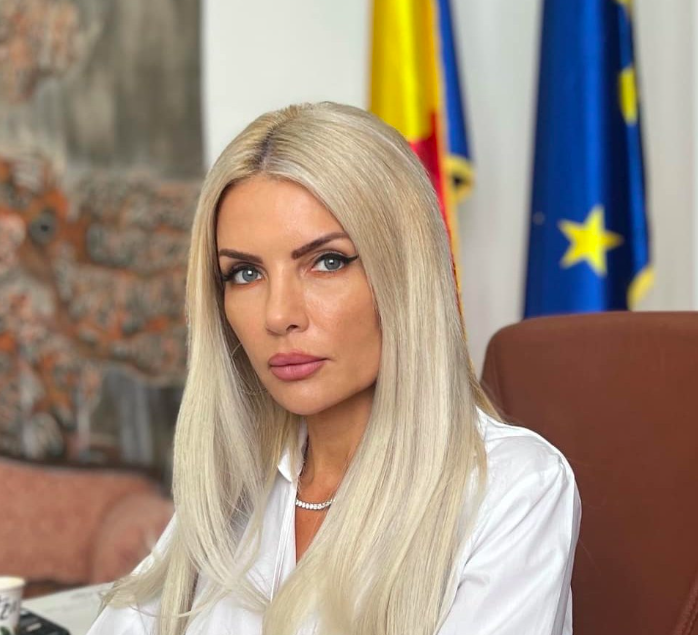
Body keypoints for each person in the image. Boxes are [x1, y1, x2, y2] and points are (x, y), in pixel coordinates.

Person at [87, 102, 580, 635]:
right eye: (245, 273)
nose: (278, 315)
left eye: (327, 262)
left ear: (404, 273)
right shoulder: (232, 484)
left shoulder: (512, 488)